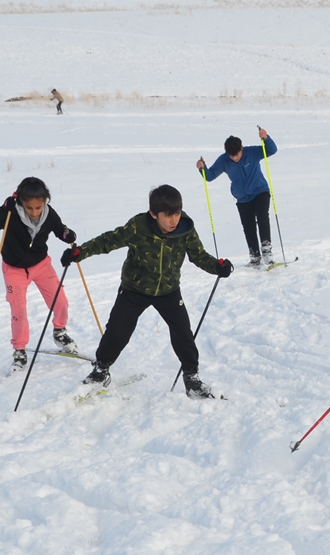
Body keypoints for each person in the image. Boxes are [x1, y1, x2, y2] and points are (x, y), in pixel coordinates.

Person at [62, 185, 234, 397]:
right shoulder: (138, 227)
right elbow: (108, 241)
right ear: (154, 214)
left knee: (183, 333)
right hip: (134, 289)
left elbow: (199, 256)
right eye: (168, 215)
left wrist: (217, 266)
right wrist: (80, 252)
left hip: (168, 290)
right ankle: (101, 370)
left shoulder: (185, 230)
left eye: (177, 213)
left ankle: (192, 378)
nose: (174, 220)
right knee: (117, 330)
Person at [0, 177, 79, 372]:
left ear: (45, 202)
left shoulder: (48, 214)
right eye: (29, 208)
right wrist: (3, 209)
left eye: (38, 207)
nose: (34, 213)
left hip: (41, 265)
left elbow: (60, 230)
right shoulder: (10, 213)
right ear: (21, 203)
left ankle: (59, 331)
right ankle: (19, 351)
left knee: (61, 301)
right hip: (14, 270)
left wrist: (68, 234)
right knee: (19, 312)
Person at [198, 127, 279, 267]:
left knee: (262, 217)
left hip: (260, 191)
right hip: (242, 198)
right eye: (232, 156)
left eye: (237, 154)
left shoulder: (252, 152)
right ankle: (254, 257)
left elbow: (272, 150)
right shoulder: (223, 160)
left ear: (242, 147)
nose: (235, 158)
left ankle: (267, 251)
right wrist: (202, 168)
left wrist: (266, 138)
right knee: (248, 227)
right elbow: (210, 176)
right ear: (226, 153)